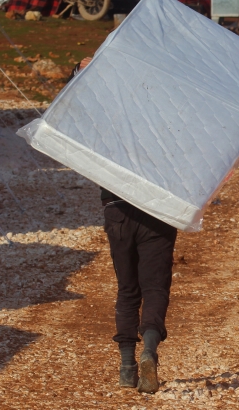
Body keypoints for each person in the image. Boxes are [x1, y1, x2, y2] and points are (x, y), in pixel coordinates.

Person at [66, 56, 175, 393]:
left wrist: (79, 75)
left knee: (128, 289)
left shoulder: (102, 117)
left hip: (116, 209)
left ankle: (127, 366)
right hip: (156, 207)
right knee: (155, 287)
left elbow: (67, 113)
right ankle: (149, 351)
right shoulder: (159, 112)